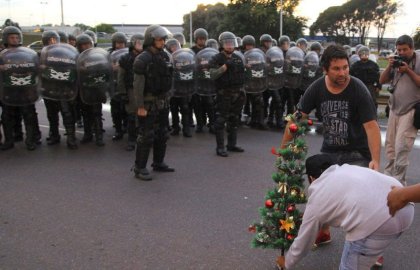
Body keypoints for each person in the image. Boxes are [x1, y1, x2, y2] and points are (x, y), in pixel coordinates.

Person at [276, 154, 414, 270]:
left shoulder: (318, 196)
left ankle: (368, 252)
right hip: (406, 205)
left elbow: (304, 240)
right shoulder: (348, 169)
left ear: (311, 178)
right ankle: (371, 253)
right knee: (374, 238)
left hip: (378, 222)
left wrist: (287, 262)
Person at [281, 45, 381, 170]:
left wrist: (375, 160)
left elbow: (372, 127)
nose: (342, 73)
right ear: (325, 70)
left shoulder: (359, 89)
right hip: (329, 152)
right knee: (313, 171)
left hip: (357, 154)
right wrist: (283, 152)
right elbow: (295, 120)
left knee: (349, 186)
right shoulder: (316, 88)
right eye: (336, 69)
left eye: (345, 67)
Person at [131, 24, 175, 180]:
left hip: (163, 101)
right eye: (159, 39)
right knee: (146, 135)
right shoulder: (142, 59)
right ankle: (139, 168)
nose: (162, 42)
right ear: (151, 40)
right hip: (148, 103)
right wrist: (140, 106)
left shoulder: (165, 56)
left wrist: (168, 96)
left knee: (162, 134)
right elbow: (138, 85)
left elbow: (169, 78)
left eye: (163, 39)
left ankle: (158, 162)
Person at [379, 35, 420, 186]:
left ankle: (398, 183)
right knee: (390, 146)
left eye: (404, 50)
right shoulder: (396, 60)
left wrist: (408, 70)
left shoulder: (418, 60)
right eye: (399, 50)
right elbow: (382, 80)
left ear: (412, 48)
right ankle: (387, 179)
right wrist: (390, 65)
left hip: (410, 110)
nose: (401, 53)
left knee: (402, 147)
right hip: (394, 109)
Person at [0, 26, 41, 151]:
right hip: (7, 89)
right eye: (12, 37)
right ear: (6, 38)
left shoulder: (27, 53)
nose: (15, 40)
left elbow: (36, 67)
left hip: (25, 89)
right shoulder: (1, 54)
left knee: (29, 114)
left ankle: (31, 139)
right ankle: (10, 140)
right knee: (7, 116)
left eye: (17, 37)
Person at [209, 31, 246, 157]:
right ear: (222, 45)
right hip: (223, 94)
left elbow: (243, 75)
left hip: (237, 93)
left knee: (234, 119)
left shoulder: (238, 58)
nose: (230, 46)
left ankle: (232, 144)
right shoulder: (217, 58)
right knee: (220, 120)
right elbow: (212, 75)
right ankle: (220, 147)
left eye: (231, 43)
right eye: (227, 43)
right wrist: (224, 67)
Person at [117, 34, 144, 151]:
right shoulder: (125, 58)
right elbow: (120, 77)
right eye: (138, 43)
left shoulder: (147, 57)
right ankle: (132, 140)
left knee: (145, 115)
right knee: (132, 116)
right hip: (131, 90)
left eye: (142, 43)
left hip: (145, 90)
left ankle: (144, 138)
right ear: (133, 44)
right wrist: (123, 93)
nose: (141, 45)